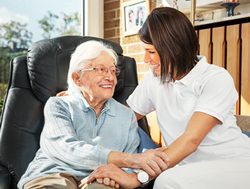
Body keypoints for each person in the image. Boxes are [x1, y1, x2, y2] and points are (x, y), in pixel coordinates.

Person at [86, 7, 250, 189]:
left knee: (166, 181)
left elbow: (191, 140)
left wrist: (137, 178)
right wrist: (83, 96)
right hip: (188, 169)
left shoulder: (215, 78)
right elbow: (123, 118)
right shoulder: (154, 79)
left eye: (151, 52)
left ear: (174, 49)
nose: (145, 59)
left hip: (235, 164)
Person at [17, 40, 169, 189]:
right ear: (77, 78)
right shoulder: (58, 105)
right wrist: (130, 160)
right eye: (101, 69)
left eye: (113, 70)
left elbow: (129, 166)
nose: (110, 77)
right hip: (54, 174)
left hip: (101, 178)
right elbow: (65, 148)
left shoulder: (126, 116)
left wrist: (119, 174)